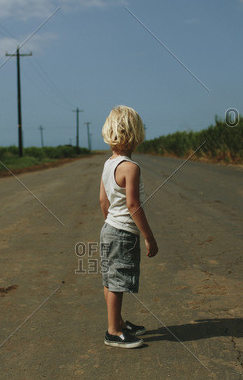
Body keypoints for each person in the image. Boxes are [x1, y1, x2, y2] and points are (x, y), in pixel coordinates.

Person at [99, 105, 159, 349]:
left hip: (109, 228)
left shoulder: (108, 164)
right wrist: (148, 237)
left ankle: (119, 322)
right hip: (123, 233)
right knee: (118, 280)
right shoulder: (130, 167)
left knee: (110, 278)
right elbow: (133, 205)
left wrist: (110, 221)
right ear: (136, 134)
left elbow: (103, 201)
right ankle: (113, 332)